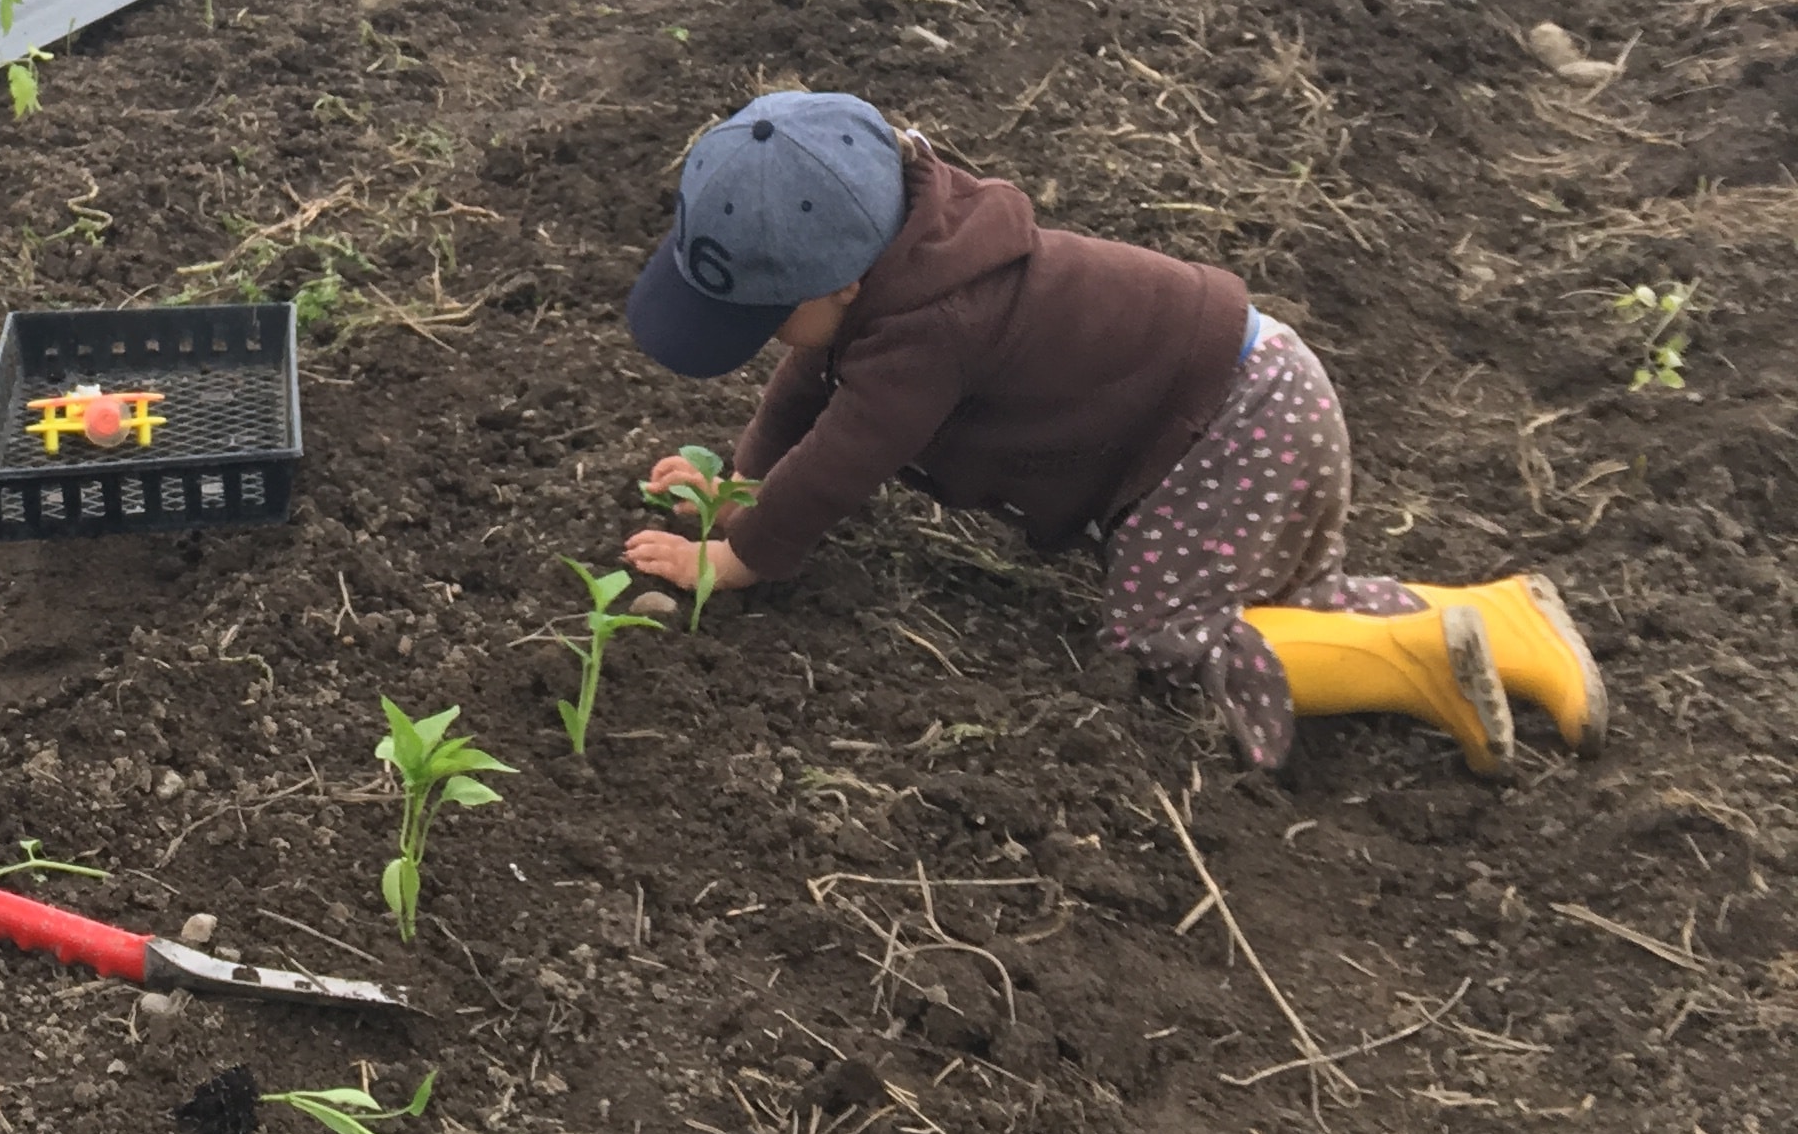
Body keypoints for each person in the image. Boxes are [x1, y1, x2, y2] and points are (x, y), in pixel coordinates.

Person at [619, 90, 1606, 774]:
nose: (762, 343)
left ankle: (1424, 660)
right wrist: (738, 487)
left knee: (1169, 639)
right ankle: (1503, 620)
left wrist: (740, 557)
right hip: (1256, 388)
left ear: (839, 284)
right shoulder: (900, 241)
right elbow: (807, 380)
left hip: (1228, 425)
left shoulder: (931, 330)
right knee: (1281, 600)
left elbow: (845, 460)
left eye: (764, 313)